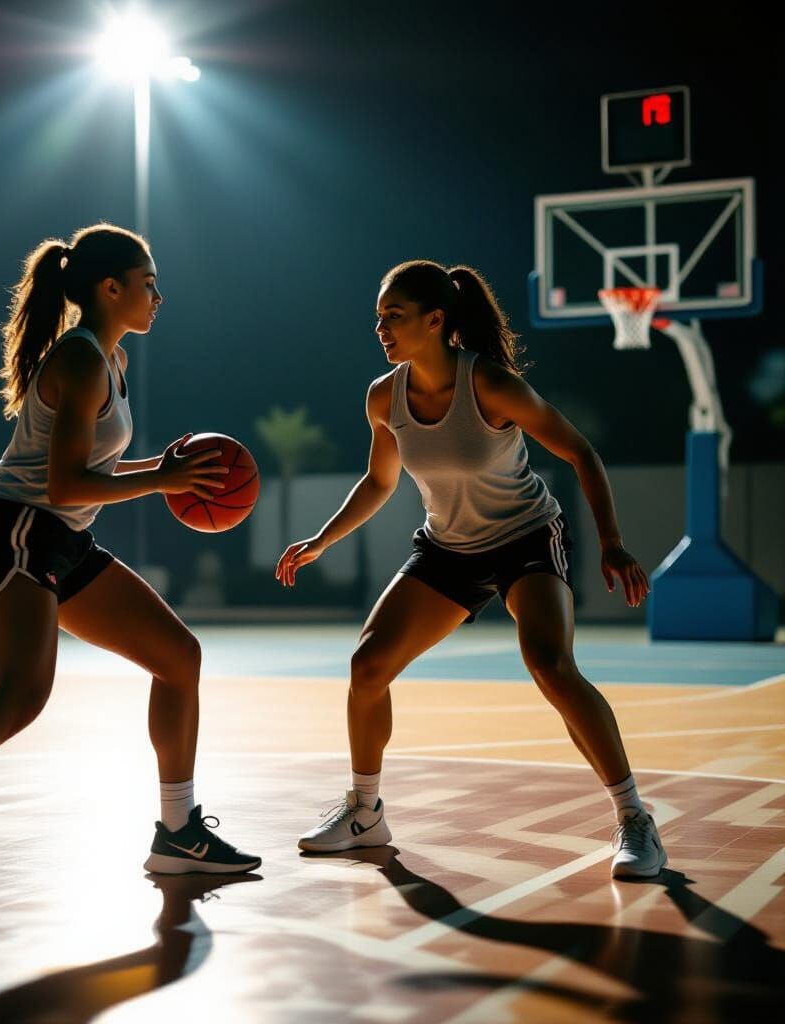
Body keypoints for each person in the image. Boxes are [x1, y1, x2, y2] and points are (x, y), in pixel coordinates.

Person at [0, 222, 260, 893]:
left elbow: (90, 469)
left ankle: (179, 833)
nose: (158, 296)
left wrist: (163, 467)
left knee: (179, 658)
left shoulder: (108, 360)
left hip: (55, 536)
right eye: (149, 284)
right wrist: (160, 482)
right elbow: (65, 485)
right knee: (21, 698)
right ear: (110, 288)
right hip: (17, 530)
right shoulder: (83, 358)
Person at [276, 260, 666, 879]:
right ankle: (365, 810)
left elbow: (580, 452)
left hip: (525, 536)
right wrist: (323, 539)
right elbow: (379, 482)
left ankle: (634, 818)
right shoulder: (383, 397)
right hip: (448, 547)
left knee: (550, 665)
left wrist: (612, 543)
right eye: (379, 317)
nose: (382, 327)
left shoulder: (490, 384)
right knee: (367, 664)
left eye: (394, 317)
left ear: (436, 320)